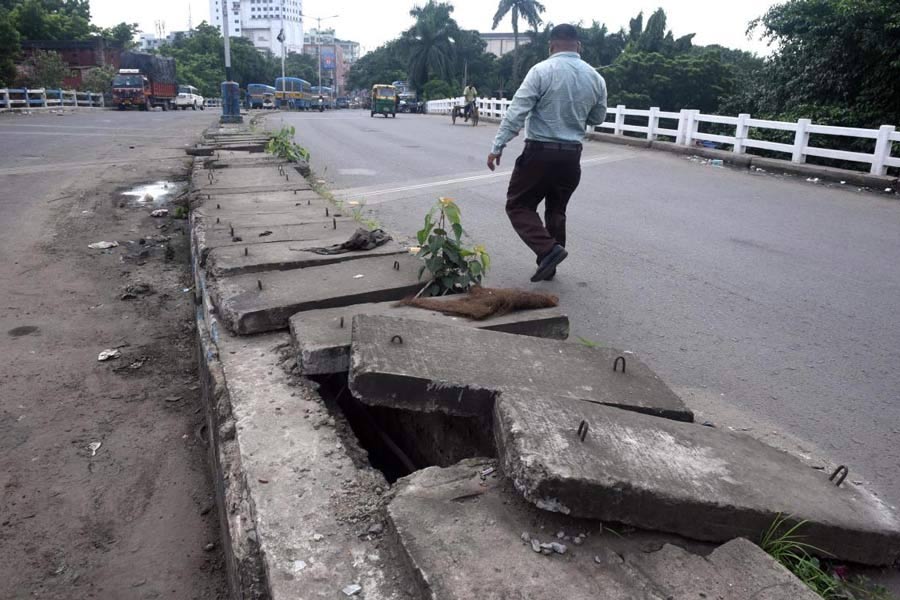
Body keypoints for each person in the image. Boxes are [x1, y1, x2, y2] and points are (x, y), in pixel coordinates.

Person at [487, 24, 607, 282]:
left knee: (518, 205)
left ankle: (549, 250)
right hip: (571, 156)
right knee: (556, 209)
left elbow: (516, 112)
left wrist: (498, 146)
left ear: (551, 46)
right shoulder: (596, 78)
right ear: (579, 46)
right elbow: (598, 117)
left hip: (539, 153)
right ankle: (549, 264)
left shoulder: (541, 70)